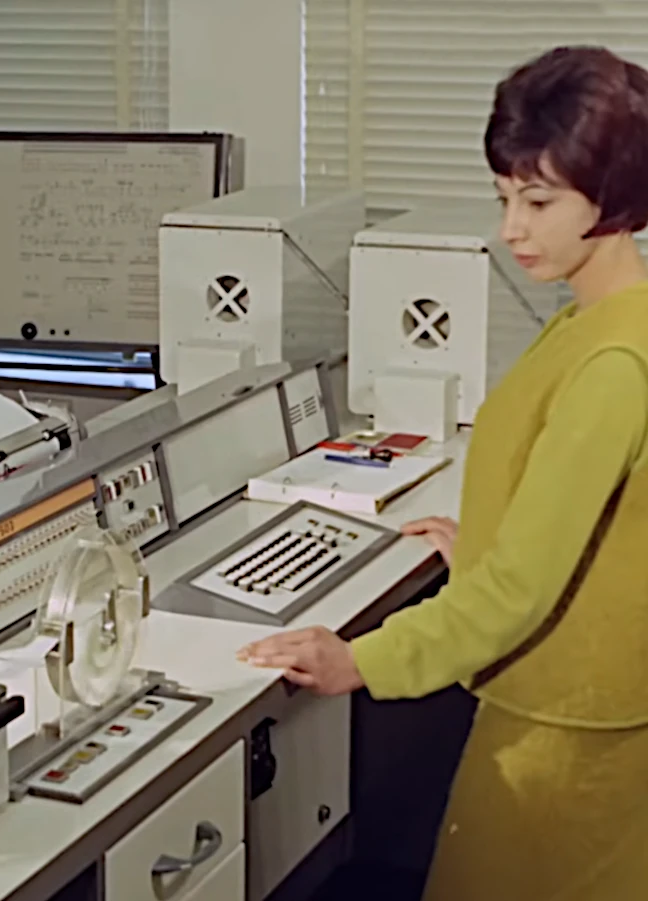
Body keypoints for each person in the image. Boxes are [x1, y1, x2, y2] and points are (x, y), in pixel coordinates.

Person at [237, 45, 648, 901]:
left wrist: (360, 660)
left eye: (538, 202)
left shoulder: (614, 360)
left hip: (567, 733)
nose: (512, 230)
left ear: (614, 193)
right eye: (505, 199)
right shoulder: (595, 323)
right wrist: (491, 542)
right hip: (567, 701)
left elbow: (519, 594)